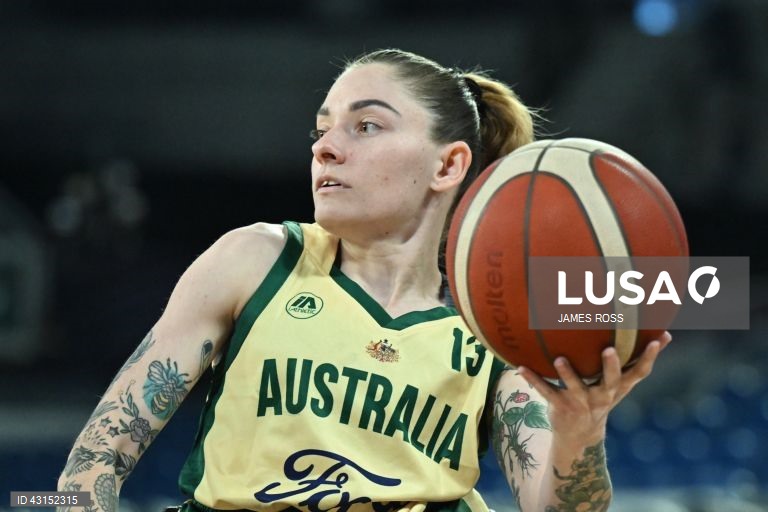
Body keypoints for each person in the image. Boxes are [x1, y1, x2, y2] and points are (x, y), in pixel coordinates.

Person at [57, 48, 670, 512]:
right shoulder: (256, 259)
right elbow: (88, 469)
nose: (325, 147)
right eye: (321, 128)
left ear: (449, 164)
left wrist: (581, 429)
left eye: (366, 125)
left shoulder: (496, 319)